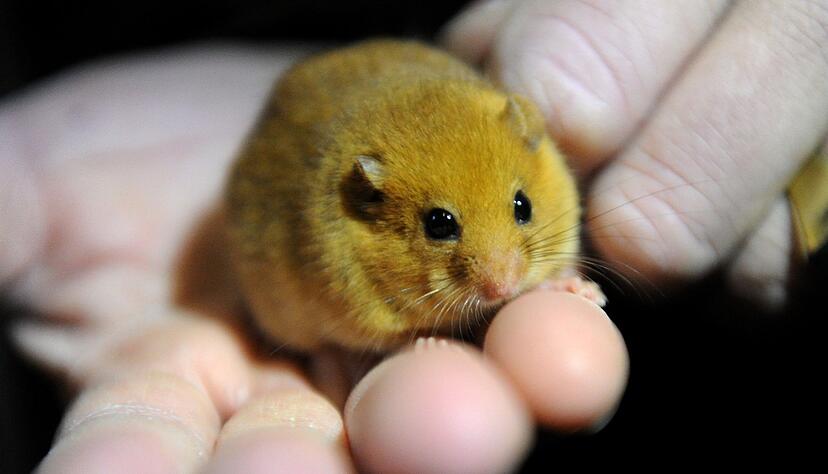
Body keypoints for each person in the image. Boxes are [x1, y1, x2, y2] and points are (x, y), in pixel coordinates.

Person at [1, 1, 825, 471]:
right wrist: (392, 335)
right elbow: (354, 285)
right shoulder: (343, 234)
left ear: (529, 143)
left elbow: (534, 220)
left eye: (522, 212)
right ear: (371, 201)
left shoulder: (521, 140)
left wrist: (556, 269)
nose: (498, 274)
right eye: (440, 228)